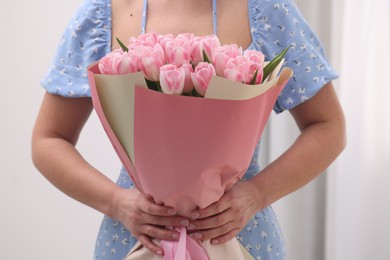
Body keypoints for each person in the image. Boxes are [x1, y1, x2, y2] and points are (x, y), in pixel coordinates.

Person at [32, 0, 346, 259]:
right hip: (132, 239)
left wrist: (256, 194)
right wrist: (116, 202)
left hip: (244, 238)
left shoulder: (268, 11)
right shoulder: (101, 15)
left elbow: (328, 126)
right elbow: (48, 139)